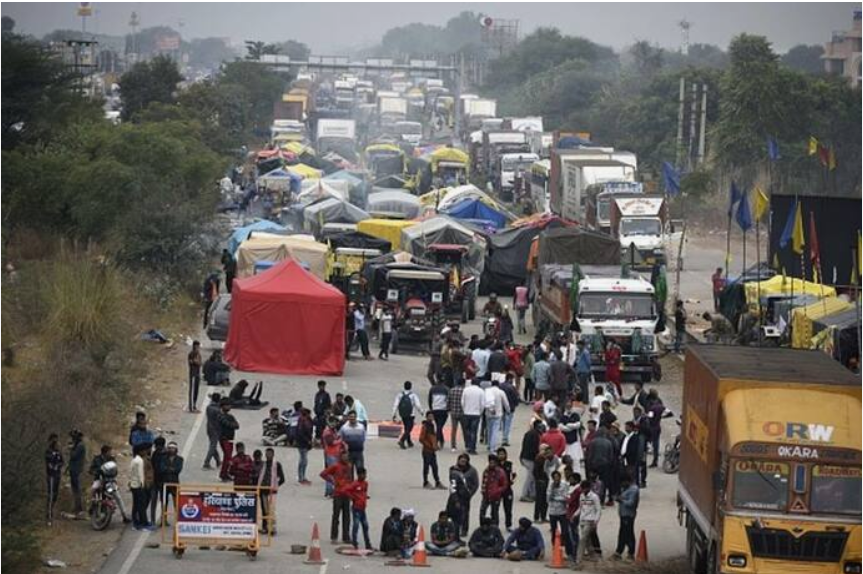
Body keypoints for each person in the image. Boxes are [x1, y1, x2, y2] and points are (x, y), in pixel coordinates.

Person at [320, 451, 354, 544]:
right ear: (340, 457)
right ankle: (334, 536)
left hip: (347, 494)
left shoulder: (349, 466)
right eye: (344, 456)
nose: (345, 458)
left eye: (347, 456)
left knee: (347, 517)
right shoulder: (335, 466)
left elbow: (351, 479)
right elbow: (323, 473)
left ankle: (346, 537)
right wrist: (332, 481)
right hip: (338, 494)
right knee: (336, 516)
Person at [447, 453, 479, 537]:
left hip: (465, 496)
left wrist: (470, 493)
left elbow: (475, 484)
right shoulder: (454, 470)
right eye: (461, 460)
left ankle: (464, 530)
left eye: (464, 460)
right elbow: (452, 484)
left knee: (465, 514)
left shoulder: (472, 471)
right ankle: (453, 529)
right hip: (455, 496)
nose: (463, 462)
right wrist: (455, 498)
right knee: (453, 513)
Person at [572, 480, 602, 568]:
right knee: (588, 542)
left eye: (584, 488)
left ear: (588, 488)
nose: (583, 490)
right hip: (582, 520)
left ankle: (578, 561)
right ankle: (595, 557)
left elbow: (598, 510)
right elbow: (580, 508)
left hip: (590, 521)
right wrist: (574, 515)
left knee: (582, 540)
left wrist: (596, 521)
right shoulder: (581, 496)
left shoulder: (594, 497)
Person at [547, 470, 574, 559]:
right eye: (554, 478)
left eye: (557, 477)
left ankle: (569, 552)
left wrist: (556, 498)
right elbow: (548, 498)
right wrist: (552, 491)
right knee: (554, 532)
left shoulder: (564, 484)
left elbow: (566, 497)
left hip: (562, 512)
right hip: (552, 512)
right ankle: (555, 550)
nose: (556, 479)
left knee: (565, 532)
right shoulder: (550, 485)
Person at [258, 447, 285, 534]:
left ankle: (272, 528)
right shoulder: (263, 464)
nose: (268, 455)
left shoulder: (277, 465)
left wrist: (275, 486)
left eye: (269, 454)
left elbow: (282, 479)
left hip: (272, 491)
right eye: (266, 454)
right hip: (262, 490)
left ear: (273, 454)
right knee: (264, 510)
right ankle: (265, 527)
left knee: (271, 510)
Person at [586, 428, 615, 505]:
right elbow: (611, 456)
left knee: (593, 482)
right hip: (605, 465)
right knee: (603, 483)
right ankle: (601, 501)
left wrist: (589, 466)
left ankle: (592, 500)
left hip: (594, 464)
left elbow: (590, 455)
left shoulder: (593, 442)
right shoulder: (609, 443)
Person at [347, 467, 373, 550]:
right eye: (363, 474)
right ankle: (354, 542)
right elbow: (346, 490)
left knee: (365, 526)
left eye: (365, 474)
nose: (364, 476)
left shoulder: (365, 483)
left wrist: (364, 497)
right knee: (356, 525)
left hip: (362, 508)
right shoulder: (355, 484)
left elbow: (364, 492)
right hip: (356, 508)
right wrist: (353, 497)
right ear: (358, 475)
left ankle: (367, 543)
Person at [158, 441, 183, 526]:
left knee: (176, 502)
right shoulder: (163, 458)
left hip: (174, 483)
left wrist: (168, 469)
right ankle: (163, 520)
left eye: (173, 448)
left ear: (176, 449)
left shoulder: (180, 459)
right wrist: (171, 469)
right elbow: (161, 469)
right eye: (170, 448)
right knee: (164, 502)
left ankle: (178, 520)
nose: (171, 450)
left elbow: (178, 470)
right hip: (164, 483)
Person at [392, 381, 424, 449]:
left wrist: (394, 414)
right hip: (411, 414)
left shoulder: (400, 395)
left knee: (406, 427)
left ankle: (409, 442)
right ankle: (402, 440)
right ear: (411, 387)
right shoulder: (413, 395)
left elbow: (396, 404)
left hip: (403, 414)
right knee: (409, 428)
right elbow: (417, 405)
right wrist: (421, 412)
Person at [479, 455, 508, 527]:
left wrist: (497, 491)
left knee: (494, 512)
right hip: (486, 495)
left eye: (493, 463)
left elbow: (504, 485)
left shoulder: (500, 472)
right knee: (482, 511)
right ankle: (482, 525)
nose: (491, 464)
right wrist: (483, 490)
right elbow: (484, 481)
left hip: (496, 496)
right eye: (490, 462)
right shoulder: (486, 471)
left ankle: (495, 527)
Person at [130, 443, 153, 531]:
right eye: (144, 450)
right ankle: (144, 523)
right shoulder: (140, 461)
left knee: (136, 505)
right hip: (139, 486)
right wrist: (143, 485)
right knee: (141, 505)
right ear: (140, 451)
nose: (145, 451)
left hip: (134, 485)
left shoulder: (134, 460)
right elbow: (141, 474)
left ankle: (136, 523)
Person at [419, 412, 445, 489]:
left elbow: (433, 437)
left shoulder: (432, 426)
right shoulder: (425, 426)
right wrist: (429, 446)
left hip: (432, 450)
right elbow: (421, 438)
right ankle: (425, 482)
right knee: (426, 467)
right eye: (429, 416)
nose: (431, 418)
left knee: (435, 467)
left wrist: (435, 446)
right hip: (427, 450)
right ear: (427, 417)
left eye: (432, 416)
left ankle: (437, 482)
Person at [484, 379, 511, 452]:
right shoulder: (501, 392)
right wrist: (508, 411)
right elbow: (506, 403)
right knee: (495, 431)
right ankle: (493, 447)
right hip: (498, 414)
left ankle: (489, 445)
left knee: (489, 429)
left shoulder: (487, 391)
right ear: (498, 385)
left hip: (488, 413)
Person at [519, 420, 542, 503]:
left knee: (531, 476)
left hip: (524, 457)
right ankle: (524, 494)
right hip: (530, 459)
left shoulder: (529, 433)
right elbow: (535, 448)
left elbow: (523, 445)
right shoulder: (536, 435)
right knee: (530, 477)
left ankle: (531, 493)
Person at [217, 399, 240, 481]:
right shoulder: (220, 416)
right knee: (227, 457)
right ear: (223, 406)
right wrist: (232, 424)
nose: (229, 406)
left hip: (230, 439)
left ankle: (225, 473)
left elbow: (237, 425)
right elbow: (229, 424)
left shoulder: (230, 416)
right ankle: (223, 474)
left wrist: (232, 425)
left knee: (228, 457)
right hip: (224, 439)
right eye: (227, 405)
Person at [460, 380, 485, 455]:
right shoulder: (481, 391)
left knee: (467, 430)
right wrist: (480, 412)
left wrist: (464, 410)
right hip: (476, 414)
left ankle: (467, 445)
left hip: (467, 413)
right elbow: (482, 404)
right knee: (474, 431)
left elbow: (462, 401)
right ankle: (472, 447)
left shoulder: (466, 390)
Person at [322, 417, 344, 497]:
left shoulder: (333, 430)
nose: (335, 424)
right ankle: (330, 491)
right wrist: (340, 440)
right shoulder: (327, 432)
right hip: (330, 454)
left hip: (334, 454)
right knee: (331, 473)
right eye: (334, 422)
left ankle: (330, 490)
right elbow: (331, 443)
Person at [496, 447, 516, 530]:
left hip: (507, 489)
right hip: (497, 489)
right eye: (499, 454)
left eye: (503, 454)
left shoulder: (509, 464)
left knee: (508, 508)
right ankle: (495, 525)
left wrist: (512, 480)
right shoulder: (495, 465)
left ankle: (508, 525)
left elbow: (513, 475)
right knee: (495, 508)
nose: (501, 456)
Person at [67, 429, 86, 516]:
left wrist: (71, 448)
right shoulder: (78, 445)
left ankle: (79, 507)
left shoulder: (80, 445)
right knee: (75, 489)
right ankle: (76, 507)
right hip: (74, 468)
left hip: (76, 469)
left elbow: (74, 456)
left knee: (77, 489)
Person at [46, 434, 63, 526]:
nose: (56, 442)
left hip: (57, 475)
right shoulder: (48, 451)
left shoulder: (58, 452)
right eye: (54, 441)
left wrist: (58, 466)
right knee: (51, 494)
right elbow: (49, 461)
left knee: (55, 494)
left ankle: (52, 510)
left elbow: (61, 461)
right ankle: (49, 517)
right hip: (51, 475)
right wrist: (54, 456)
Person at [149, 437, 167, 525]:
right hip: (159, 481)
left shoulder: (156, 454)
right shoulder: (159, 453)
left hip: (159, 480)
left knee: (157, 501)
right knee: (160, 501)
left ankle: (156, 520)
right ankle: (161, 520)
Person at [203, 393, 223, 470]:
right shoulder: (217, 410)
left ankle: (218, 461)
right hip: (215, 429)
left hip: (209, 427)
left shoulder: (209, 407)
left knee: (213, 445)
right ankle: (206, 462)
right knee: (213, 446)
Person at [500, 373, 520, 447]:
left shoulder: (500, 386)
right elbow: (516, 397)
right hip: (510, 408)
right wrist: (516, 404)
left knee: (503, 423)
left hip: (502, 408)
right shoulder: (512, 387)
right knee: (507, 424)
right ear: (510, 379)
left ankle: (503, 436)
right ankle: (505, 439)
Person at [428, 378, 449, 445]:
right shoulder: (446, 389)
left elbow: (429, 400)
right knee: (439, 426)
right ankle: (436, 441)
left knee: (439, 426)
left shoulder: (432, 389)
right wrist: (448, 409)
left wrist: (431, 408)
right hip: (443, 410)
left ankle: (441, 440)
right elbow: (449, 400)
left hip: (435, 410)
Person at [296, 408, 314, 485]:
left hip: (305, 443)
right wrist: (308, 440)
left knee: (304, 460)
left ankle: (303, 476)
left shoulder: (307, 420)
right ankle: (301, 477)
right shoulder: (302, 421)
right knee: (303, 460)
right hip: (302, 443)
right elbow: (300, 433)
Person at [446, 379, 465, 452]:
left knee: (454, 430)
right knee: (464, 430)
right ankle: (467, 444)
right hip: (462, 412)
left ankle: (453, 446)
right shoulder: (464, 391)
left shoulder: (451, 390)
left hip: (453, 412)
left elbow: (448, 401)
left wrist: (448, 409)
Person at [187, 340, 202, 412]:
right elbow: (194, 362)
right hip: (193, 374)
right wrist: (196, 362)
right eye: (197, 346)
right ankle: (192, 407)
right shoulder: (192, 354)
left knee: (196, 391)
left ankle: (194, 405)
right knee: (192, 391)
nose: (198, 347)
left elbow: (199, 363)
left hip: (197, 374)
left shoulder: (198, 354)